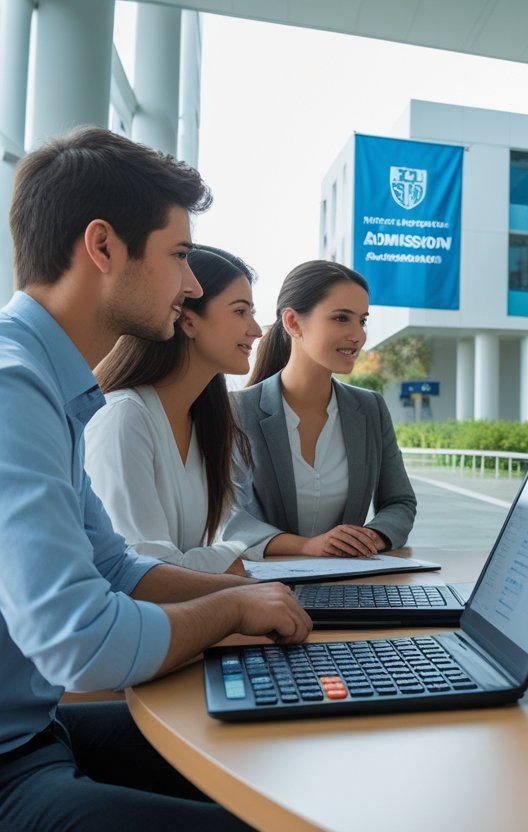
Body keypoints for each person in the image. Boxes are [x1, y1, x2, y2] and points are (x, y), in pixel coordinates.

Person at [0, 127, 311, 829]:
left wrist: (252, 592)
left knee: (282, 748)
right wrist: (231, 611)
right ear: (103, 247)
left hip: (35, 734)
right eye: (178, 256)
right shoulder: (12, 388)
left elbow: (112, 566)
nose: (192, 283)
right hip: (10, 763)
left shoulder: (50, 386)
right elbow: (81, 643)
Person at [85, 245, 264, 574]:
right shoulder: (124, 417)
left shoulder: (206, 423)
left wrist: (229, 560)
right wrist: (232, 558)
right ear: (188, 321)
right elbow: (143, 567)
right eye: (240, 312)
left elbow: (183, 557)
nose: (257, 330)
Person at [229, 260, 417, 558]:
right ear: (292, 322)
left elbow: (400, 502)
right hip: (264, 585)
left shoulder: (371, 408)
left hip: (350, 584)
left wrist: (369, 537)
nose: (358, 335)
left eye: (362, 320)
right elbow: (227, 517)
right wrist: (307, 546)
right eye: (342, 318)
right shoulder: (237, 410)